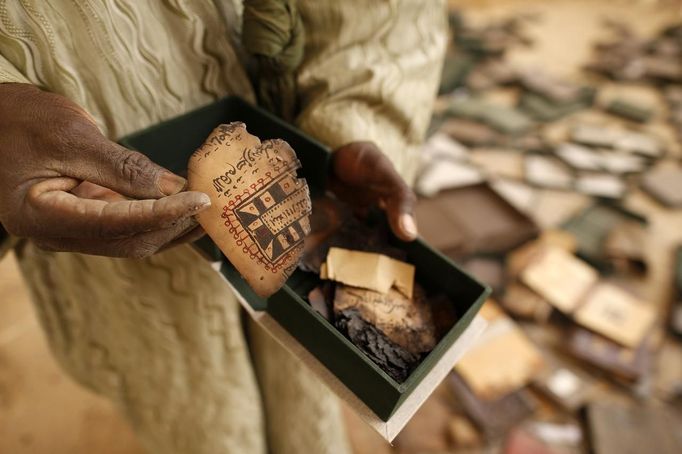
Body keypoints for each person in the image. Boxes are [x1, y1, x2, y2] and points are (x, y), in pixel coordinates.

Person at [0, 1, 447, 453]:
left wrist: (350, 122)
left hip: (292, 161)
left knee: (308, 387)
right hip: (100, 213)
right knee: (191, 411)